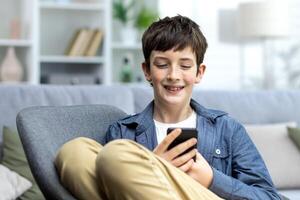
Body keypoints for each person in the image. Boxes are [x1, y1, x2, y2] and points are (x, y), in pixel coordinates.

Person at [55, 15, 281, 200]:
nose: (173, 75)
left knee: (117, 154)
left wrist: (211, 179)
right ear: (147, 71)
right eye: (162, 65)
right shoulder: (123, 132)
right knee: (74, 152)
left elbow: (270, 197)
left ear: (199, 73)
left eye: (184, 66)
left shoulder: (227, 129)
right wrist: (152, 166)